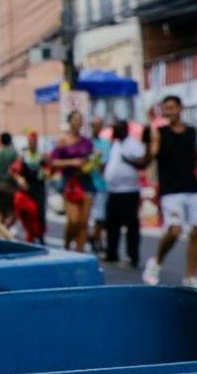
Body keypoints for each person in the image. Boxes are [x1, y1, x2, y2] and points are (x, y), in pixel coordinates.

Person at [142, 95, 197, 288]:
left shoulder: (191, 132)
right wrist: (149, 143)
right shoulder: (159, 132)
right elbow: (152, 155)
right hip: (171, 189)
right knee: (174, 230)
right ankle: (156, 262)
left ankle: (191, 276)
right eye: (166, 109)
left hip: (192, 187)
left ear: (181, 108)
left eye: (172, 108)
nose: (169, 112)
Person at [101, 120, 146, 266]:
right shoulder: (116, 144)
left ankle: (133, 257)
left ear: (124, 130)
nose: (113, 132)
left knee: (131, 225)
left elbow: (142, 162)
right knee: (112, 224)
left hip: (129, 191)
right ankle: (111, 253)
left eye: (116, 129)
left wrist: (127, 161)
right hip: (113, 191)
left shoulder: (133, 144)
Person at [48, 111, 95, 252]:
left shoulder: (87, 142)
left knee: (83, 222)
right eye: (75, 120)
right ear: (69, 122)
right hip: (70, 183)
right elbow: (53, 162)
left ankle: (80, 253)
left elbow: (91, 160)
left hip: (86, 182)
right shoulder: (63, 141)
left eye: (80, 120)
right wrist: (72, 162)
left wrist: (92, 163)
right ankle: (67, 247)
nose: (78, 122)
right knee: (73, 221)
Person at [87, 117, 110, 254]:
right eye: (95, 126)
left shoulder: (106, 144)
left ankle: (96, 239)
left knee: (102, 218)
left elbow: (108, 162)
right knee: (96, 217)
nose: (97, 128)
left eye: (99, 126)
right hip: (90, 184)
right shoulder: (87, 144)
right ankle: (94, 239)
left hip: (104, 185)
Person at [0, 133, 20, 224]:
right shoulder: (14, 153)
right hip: (10, 188)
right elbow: (18, 168)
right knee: (12, 213)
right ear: (10, 140)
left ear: (1, 141)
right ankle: (5, 231)